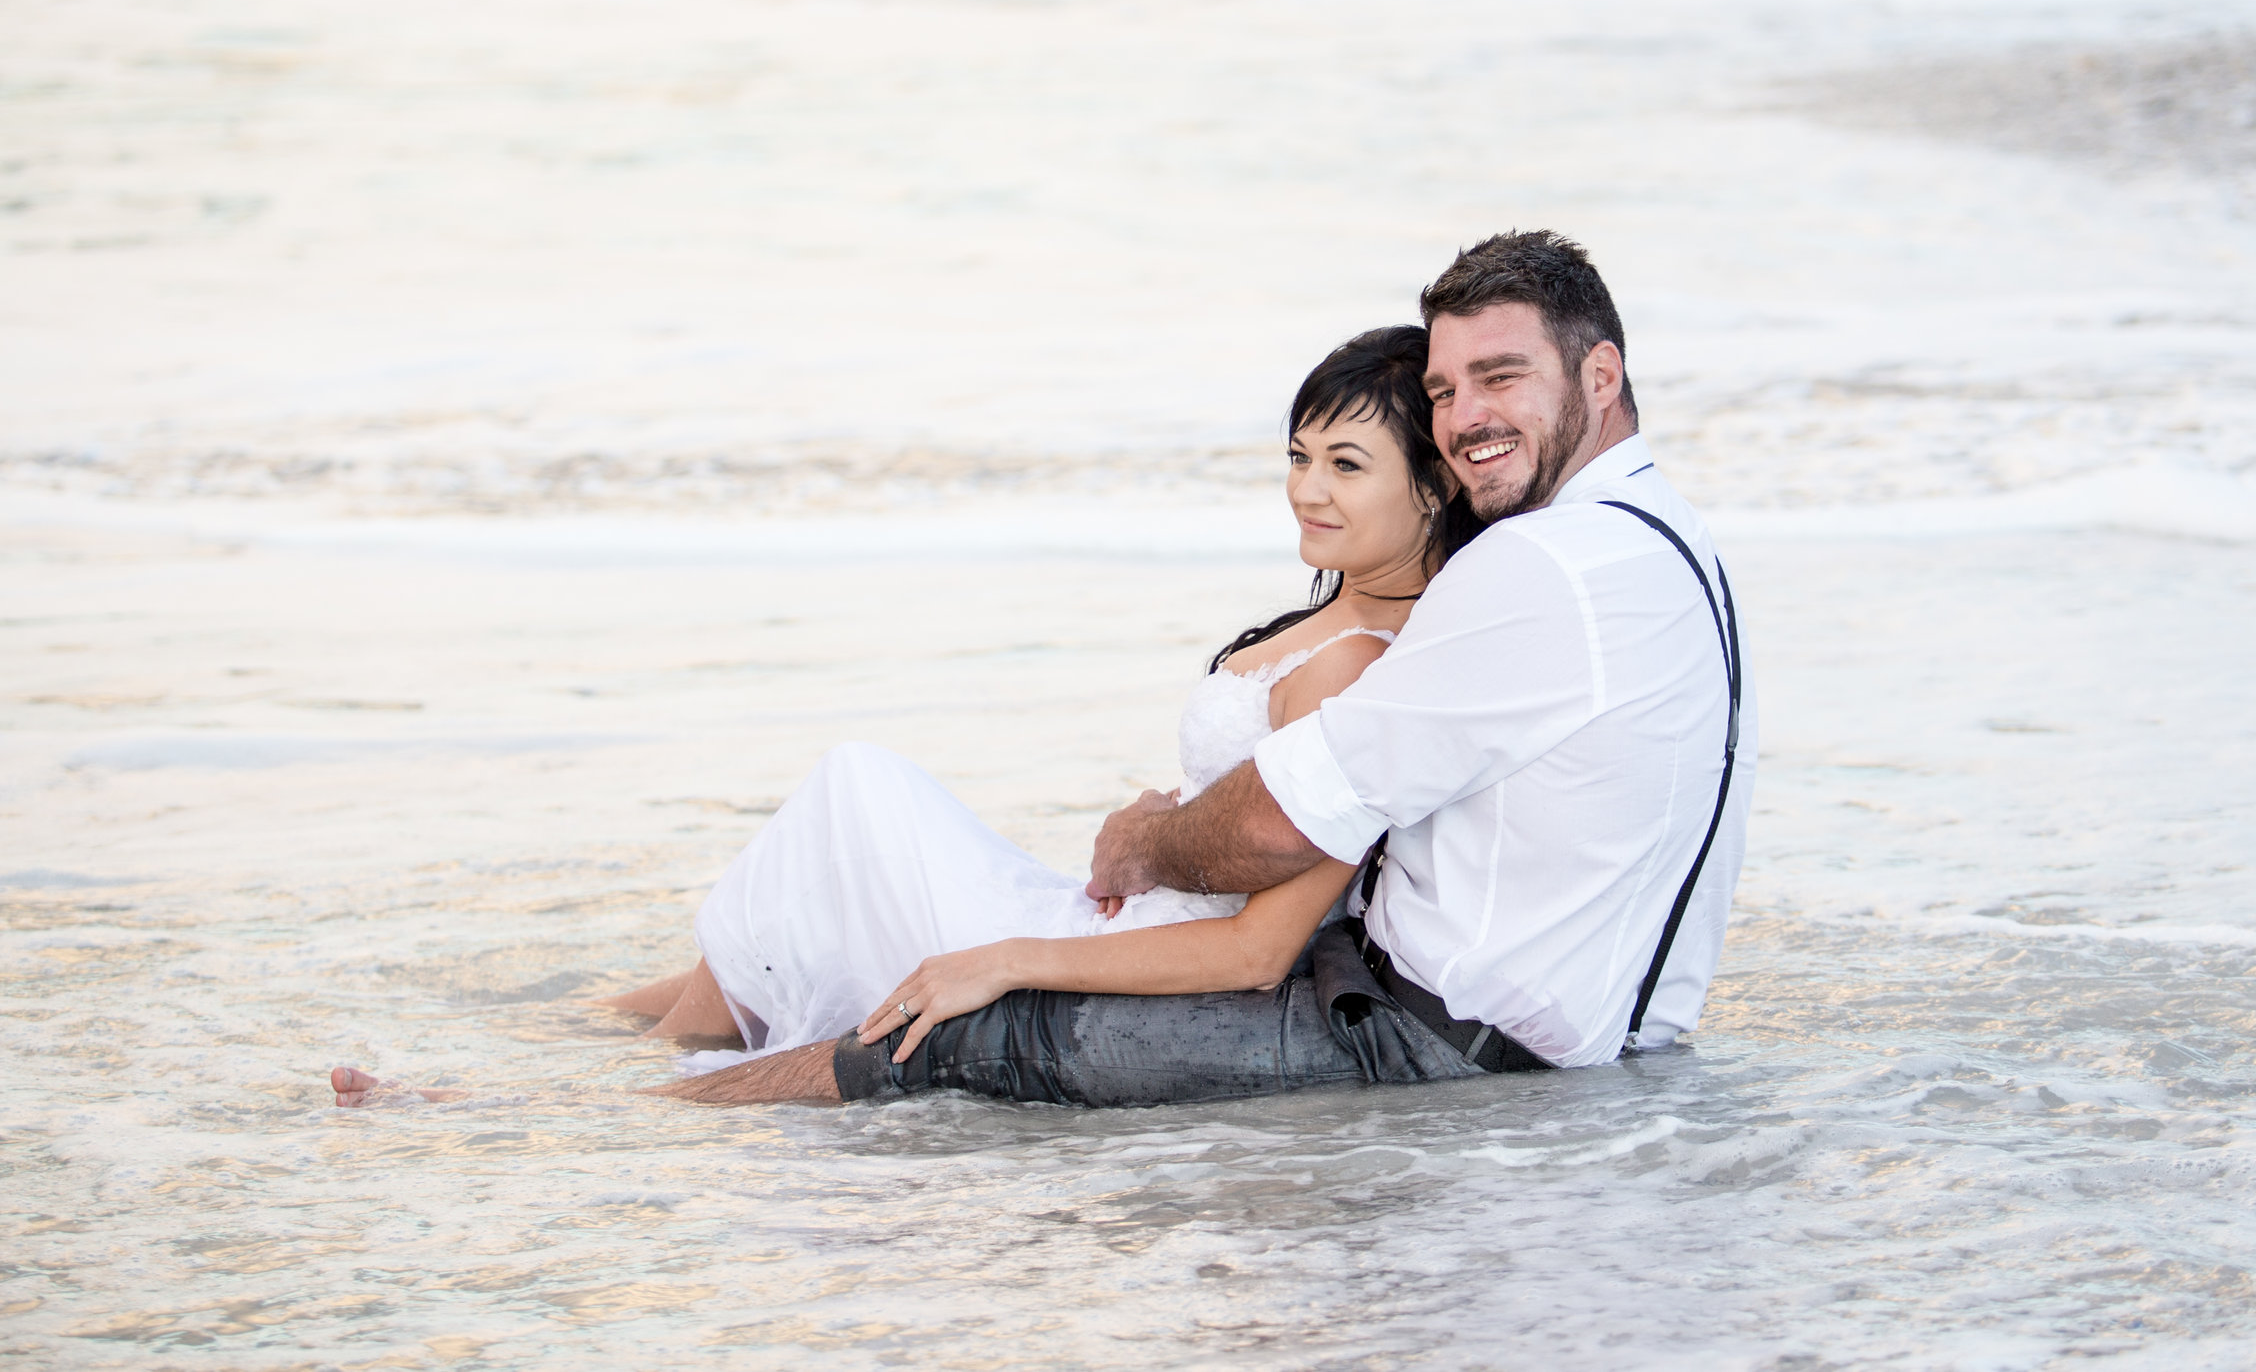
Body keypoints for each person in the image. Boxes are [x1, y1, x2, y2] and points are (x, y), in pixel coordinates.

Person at [652, 229, 1755, 1110]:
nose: (1466, 418)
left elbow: (1283, 830)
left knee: (961, 1038)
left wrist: (1143, 840)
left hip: (1429, 1032)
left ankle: (650, 1128)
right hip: (1518, 1014)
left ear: (1599, 373)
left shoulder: (1541, 564)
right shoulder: (1664, 541)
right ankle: (659, 1066)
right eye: (1446, 388)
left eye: (1500, 377)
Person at [331, 324, 1478, 1107]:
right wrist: (1170, 815)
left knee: (856, 800)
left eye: (1344, 462)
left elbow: (1260, 944)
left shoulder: (1359, 666)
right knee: (839, 832)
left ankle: (548, 1090)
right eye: (1295, 453)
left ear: (1429, 487)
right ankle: (575, 1055)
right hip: (1116, 908)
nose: (1305, 486)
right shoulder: (1329, 618)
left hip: (1124, 951)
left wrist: (1006, 959)